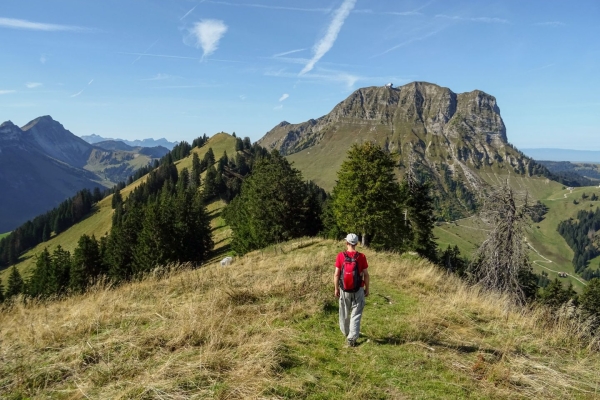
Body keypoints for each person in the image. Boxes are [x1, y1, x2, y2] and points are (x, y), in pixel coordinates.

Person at [334, 233, 369, 347]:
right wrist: (367, 289)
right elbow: (366, 275)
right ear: (357, 243)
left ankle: (346, 332)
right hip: (358, 289)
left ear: (347, 243)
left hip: (344, 290)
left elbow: (336, 275)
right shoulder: (362, 257)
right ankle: (352, 337)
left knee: (344, 312)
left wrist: (336, 288)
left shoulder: (340, 256)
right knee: (356, 314)